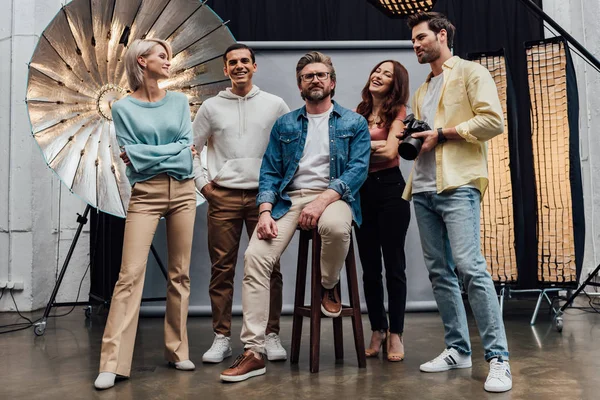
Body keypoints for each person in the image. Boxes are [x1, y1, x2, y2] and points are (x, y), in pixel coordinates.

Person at [219, 51, 370, 382]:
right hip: (290, 200)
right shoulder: (286, 124)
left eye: (320, 75)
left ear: (332, 81)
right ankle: (254, 351)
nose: (314, 80)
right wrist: (264, 212)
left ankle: (328, 285)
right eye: (307, 76)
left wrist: (322, 201)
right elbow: (270, 172)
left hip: (335, 196)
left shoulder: (353, 123)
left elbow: (358, 170)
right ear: (300, 85)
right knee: (255, 257)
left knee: (334, 226)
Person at [401, 12, 512, 393]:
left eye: (420, 38)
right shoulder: (422, 89)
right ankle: (457, 349)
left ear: (442, 34)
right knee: (440, 273)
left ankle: (498, 358)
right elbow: (424, 138)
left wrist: (442, 133)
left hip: (458, 185)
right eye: (412, 40)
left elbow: (493, 121)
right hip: (423, 190)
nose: (415, 45)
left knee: (470, 268)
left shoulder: (471, 73)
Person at [94, 39, 198, 390]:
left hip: (184, 189)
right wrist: (168, 153)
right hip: (146, 194)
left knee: (180, 274)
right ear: (142, 60)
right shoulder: (121, 108)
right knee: (129, 275)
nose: (168, 62)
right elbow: (132, 157)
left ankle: (177, 349)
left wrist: (149, 154)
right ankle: (112, 362)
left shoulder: (180, 102)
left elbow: (187, 150)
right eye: (162, 56)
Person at [192, 44, 290, 364]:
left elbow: (291, 148)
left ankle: (269, 333)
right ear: (225, 69)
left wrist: (279, 190)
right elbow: (190, 150)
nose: (239, 66)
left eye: (244, 61)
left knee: (269, 268)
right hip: (224, 197)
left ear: (254, 66)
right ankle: (221, 337)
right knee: (222, 270)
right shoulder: (210, 107)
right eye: (232, 62)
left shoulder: (275, 105)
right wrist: (204, 187)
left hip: (265, 198)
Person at [355, 60, 411, 362]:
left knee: (394, 267)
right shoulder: (359, 113)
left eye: (387, 74)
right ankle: (377, 328)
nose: (378, 75)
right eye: (377, 70)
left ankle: (395, 334)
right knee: (370, 268)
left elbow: (391, 152)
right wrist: (371, 146)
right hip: (362, 192)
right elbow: (344, 154)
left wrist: (361, 148)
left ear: (395, 84)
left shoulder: (399, 112)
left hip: (392, 191)